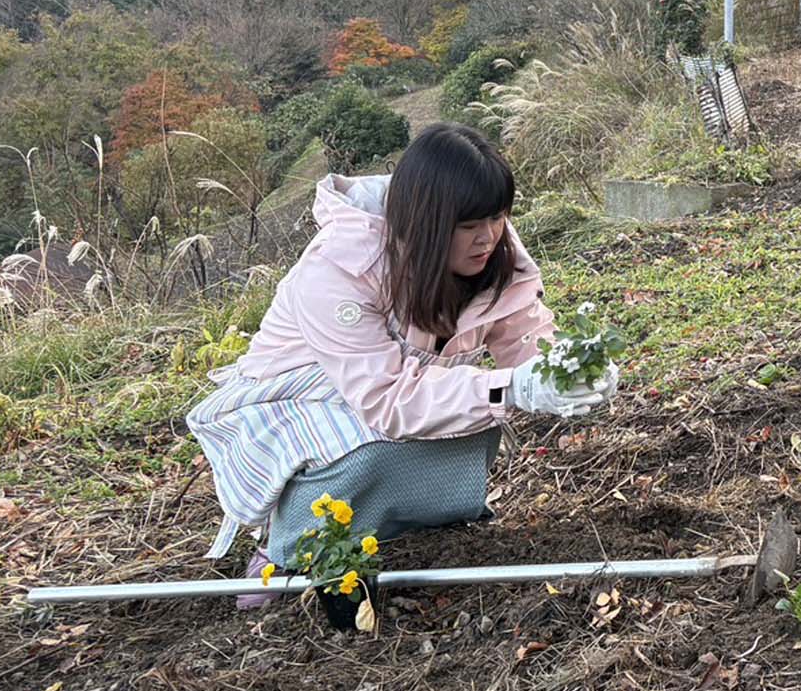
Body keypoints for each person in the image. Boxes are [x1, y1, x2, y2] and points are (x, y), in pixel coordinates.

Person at [187, 123, 617, 595]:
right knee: (369, 449)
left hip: (394, 388)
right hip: (300, 399)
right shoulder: (340, 266)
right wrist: (511, 386)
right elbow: (386, 397)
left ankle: (413, 527)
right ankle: (289, 550)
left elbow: (525, 332)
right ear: (426, 222)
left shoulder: (491, 247)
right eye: (469, 227)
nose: (488, 238)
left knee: (472, 422)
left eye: (497, 218)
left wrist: (572, 367)